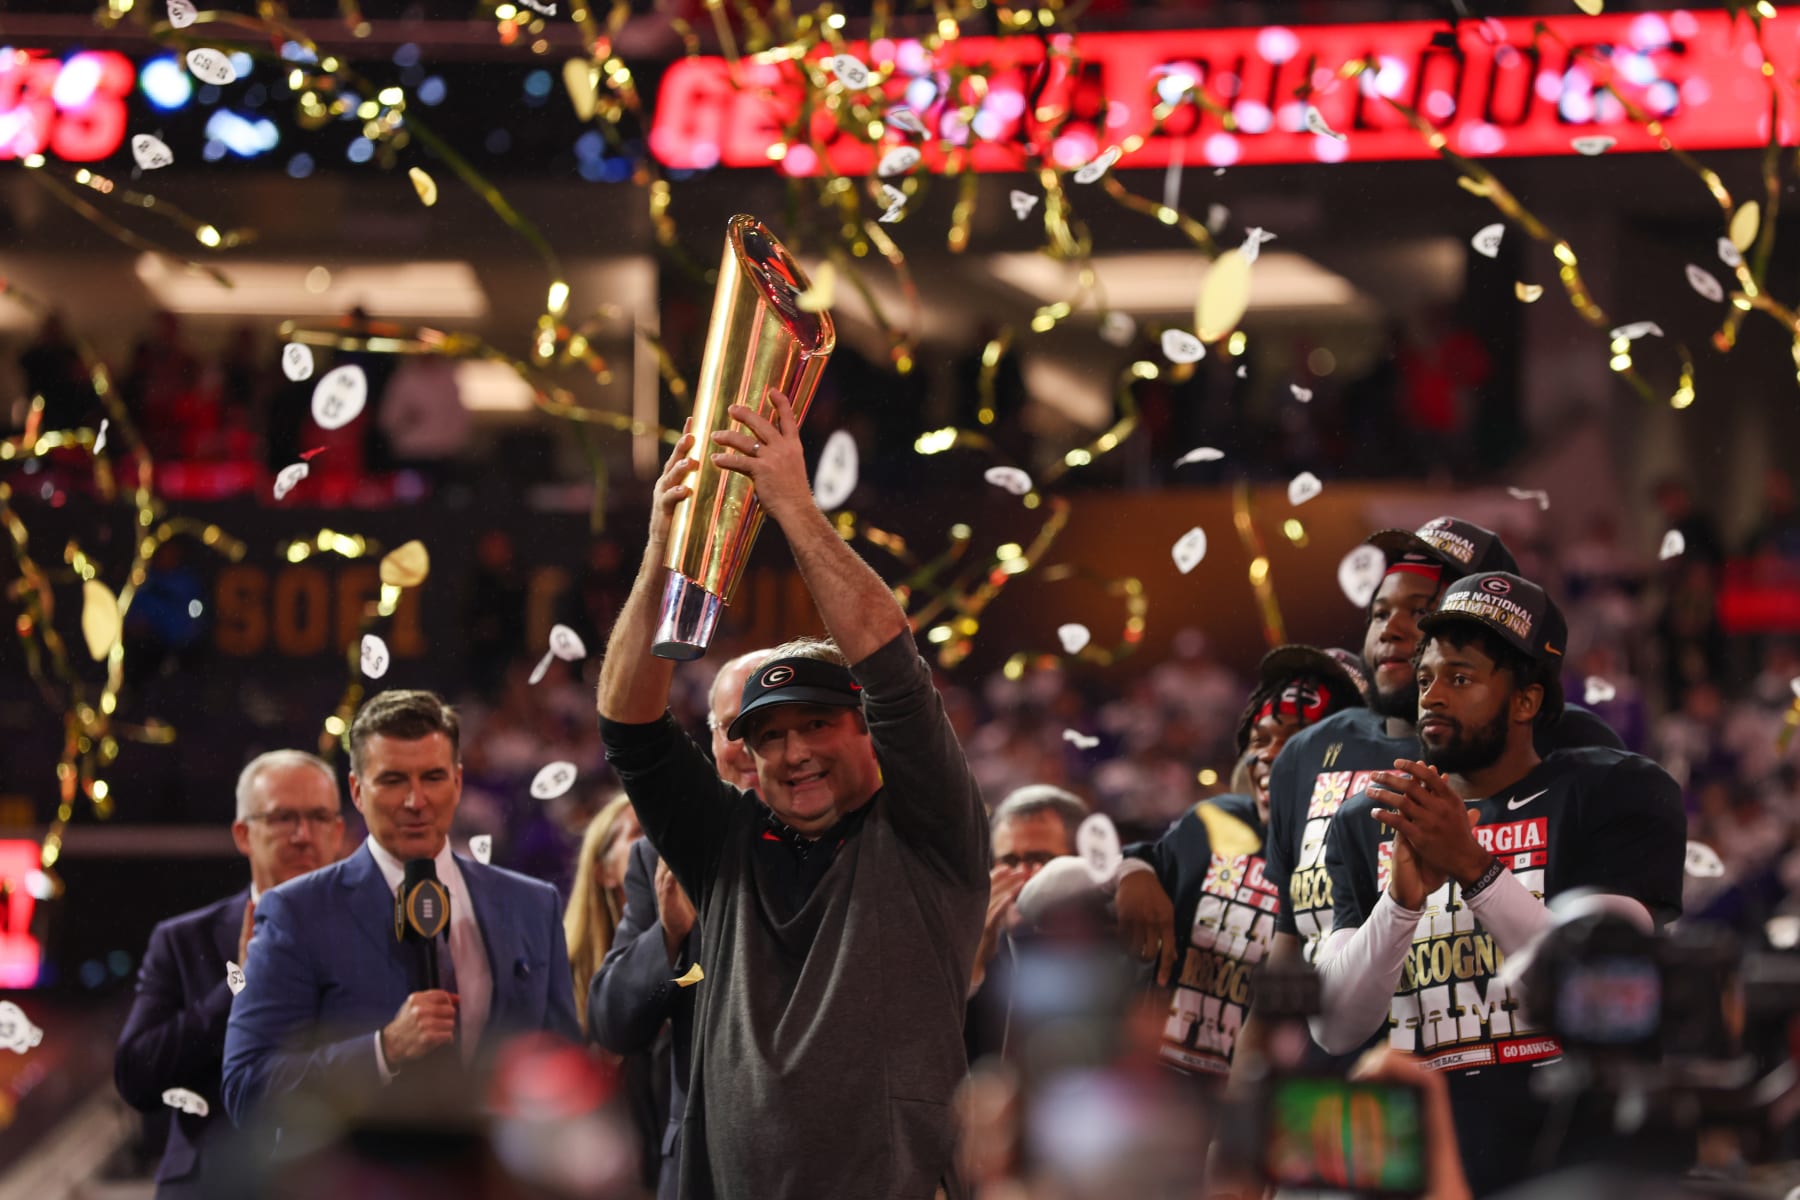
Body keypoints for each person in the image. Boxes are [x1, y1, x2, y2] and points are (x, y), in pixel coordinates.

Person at [596, 390, 988, 1200]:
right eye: (768, 736)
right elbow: (629, 725)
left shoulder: (925, 829)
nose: (794, 752)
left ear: (866, 729)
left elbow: (892, 667)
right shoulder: (725, 845)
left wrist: (795, 507)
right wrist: (662, 554)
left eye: (817, 724)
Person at [1311, 572, 1685, 1195]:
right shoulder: (1369, 817)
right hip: (1417, 1164)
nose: (1432, 695)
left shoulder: (1611, 791)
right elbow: (1336, 1030)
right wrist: (1400, 907)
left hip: (1577, 1162)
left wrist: (1476, 869)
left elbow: (1605, 988)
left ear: (1525, 701)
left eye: (1460, 678)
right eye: (1428, 677)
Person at [1238, 518, 1625, 1085]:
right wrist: (1240, 1116)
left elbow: (1611, 967)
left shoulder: (1571, 748)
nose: (1394, 628)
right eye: (1379, 611)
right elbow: (1285, 950)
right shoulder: (1309, 751)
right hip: (1331, 1097)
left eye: (1423, 610)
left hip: (1512, 1088)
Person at [221, 690, 581, 1129]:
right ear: (356, 791)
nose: (415, 801)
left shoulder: (532, 905)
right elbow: (246, 1089)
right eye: (392, 781)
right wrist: (383, 1049)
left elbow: (564, 1068)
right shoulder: (296, 912)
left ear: (458, 782)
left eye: (432, 777)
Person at [1113, 646, 1364, 1080]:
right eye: (1260, 738)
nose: (1269, 754)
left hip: (1280, 1110)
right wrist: (1133, 871)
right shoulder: (1212, 821)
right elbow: (1142, 866)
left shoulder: (1362, 858)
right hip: (1165, 1094)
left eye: (1300, 738)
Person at [115, 751, 346, 1197]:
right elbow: (136, 1078)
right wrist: (239, 985)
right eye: (283, 818)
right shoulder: (184, 940)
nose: (303, 835)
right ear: (243, 834)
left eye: (319, 817)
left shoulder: (376, 933)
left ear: (338, 831)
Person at [588, 648, 765, 1200]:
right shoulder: (658, 857)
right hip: (699, 1172)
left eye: (766, 723)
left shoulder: (841, 847)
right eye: (731, 727)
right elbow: (615, 1023)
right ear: (709, 740)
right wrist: (666, 934)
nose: (748, 745)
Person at [965, 784, 1088, 1062]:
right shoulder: (966, 945)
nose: (1022, 876)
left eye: (1039, 859)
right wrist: (973, 961)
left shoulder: (1113, 948)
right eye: (1009, 861)